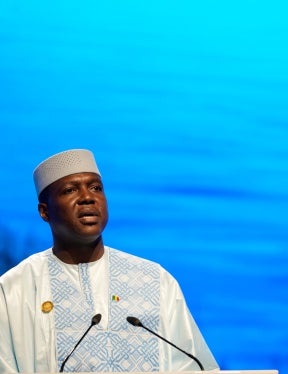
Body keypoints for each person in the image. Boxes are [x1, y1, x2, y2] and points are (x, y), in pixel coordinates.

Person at [0, 149, 219, 373]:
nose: (87, 197)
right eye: (70, 190)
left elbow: (195, 366)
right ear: (44, 212)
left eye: (96, 188)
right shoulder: (15, 289)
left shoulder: (154, 279)